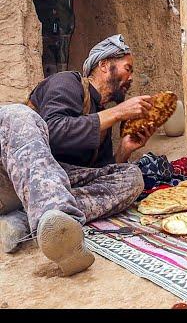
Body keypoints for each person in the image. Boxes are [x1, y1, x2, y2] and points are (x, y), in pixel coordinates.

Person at [0, 34, 154, 276]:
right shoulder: (67, 82)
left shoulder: (102, 115)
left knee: (132, 176)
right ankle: (62, 238)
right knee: (18, 114)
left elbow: (97, 175)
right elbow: (53, 132)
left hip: (39, 192)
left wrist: (125, 149)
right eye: (128, 68)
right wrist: (117, 113)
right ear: (104, 65)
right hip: (8, 173)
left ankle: (29, 221)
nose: (131, 77)